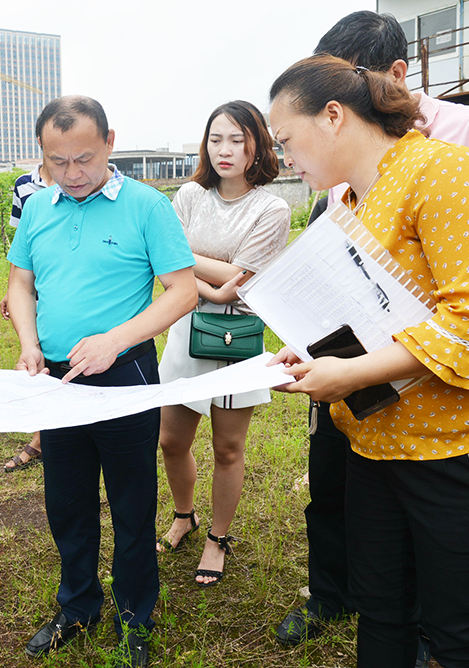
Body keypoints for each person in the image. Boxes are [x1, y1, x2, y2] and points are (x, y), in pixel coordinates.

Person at [275, 10, 469, 652]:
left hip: (463, 451)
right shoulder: (352, 201)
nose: (285, 158)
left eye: (287, 140)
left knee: (462, 636)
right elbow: (365, 316)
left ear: (333, 116)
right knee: (382, 620)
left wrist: (349, 372)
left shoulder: (448, 170)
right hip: (377, 445)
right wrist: (313, 348)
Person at [6, 95, 197, 667]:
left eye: (84, 159)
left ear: (110, 143)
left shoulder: (146, 206)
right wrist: (28, 343)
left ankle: (135, 614)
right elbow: (20, 283)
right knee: (66, 499)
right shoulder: (37, 208)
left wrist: (115, 339)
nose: (71, 173)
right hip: (57, 379)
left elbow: (183, 291)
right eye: (57, 162)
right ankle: (78, 605)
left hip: (125, 373)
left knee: (131, 500)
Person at [156, 101, 289, 587]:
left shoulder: (272, 209)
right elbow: (164, 261)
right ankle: (184, 515)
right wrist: (213, 286)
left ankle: (218, 537)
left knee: (228, 448)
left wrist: (188, 260)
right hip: (186, 327)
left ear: (258, 145)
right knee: (171, 440)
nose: (224, 150)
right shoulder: (190, 195)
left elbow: (242, 280)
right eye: (216, 139)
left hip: (236, 338)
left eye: (237, 139)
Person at [0, 161, 55, 472]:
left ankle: (41, 438)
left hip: (61, 282)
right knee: (36, 357)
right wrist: (13, 288)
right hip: (34, 280)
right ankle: (42, 434)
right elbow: (22, 243)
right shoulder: (24, 184)